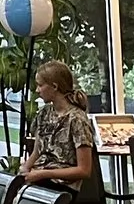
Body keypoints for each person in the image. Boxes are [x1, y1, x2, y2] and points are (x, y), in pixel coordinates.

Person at [19, 60, 98, 192]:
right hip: (40, 177)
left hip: (64, 186)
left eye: (40, 85)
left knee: (21, 197)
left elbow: (84, 170)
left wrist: (42, 174)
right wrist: (25, 168)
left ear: (54, 87)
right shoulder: (44, 113)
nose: (37, 90)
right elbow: (37, 151)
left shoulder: (77, 120)